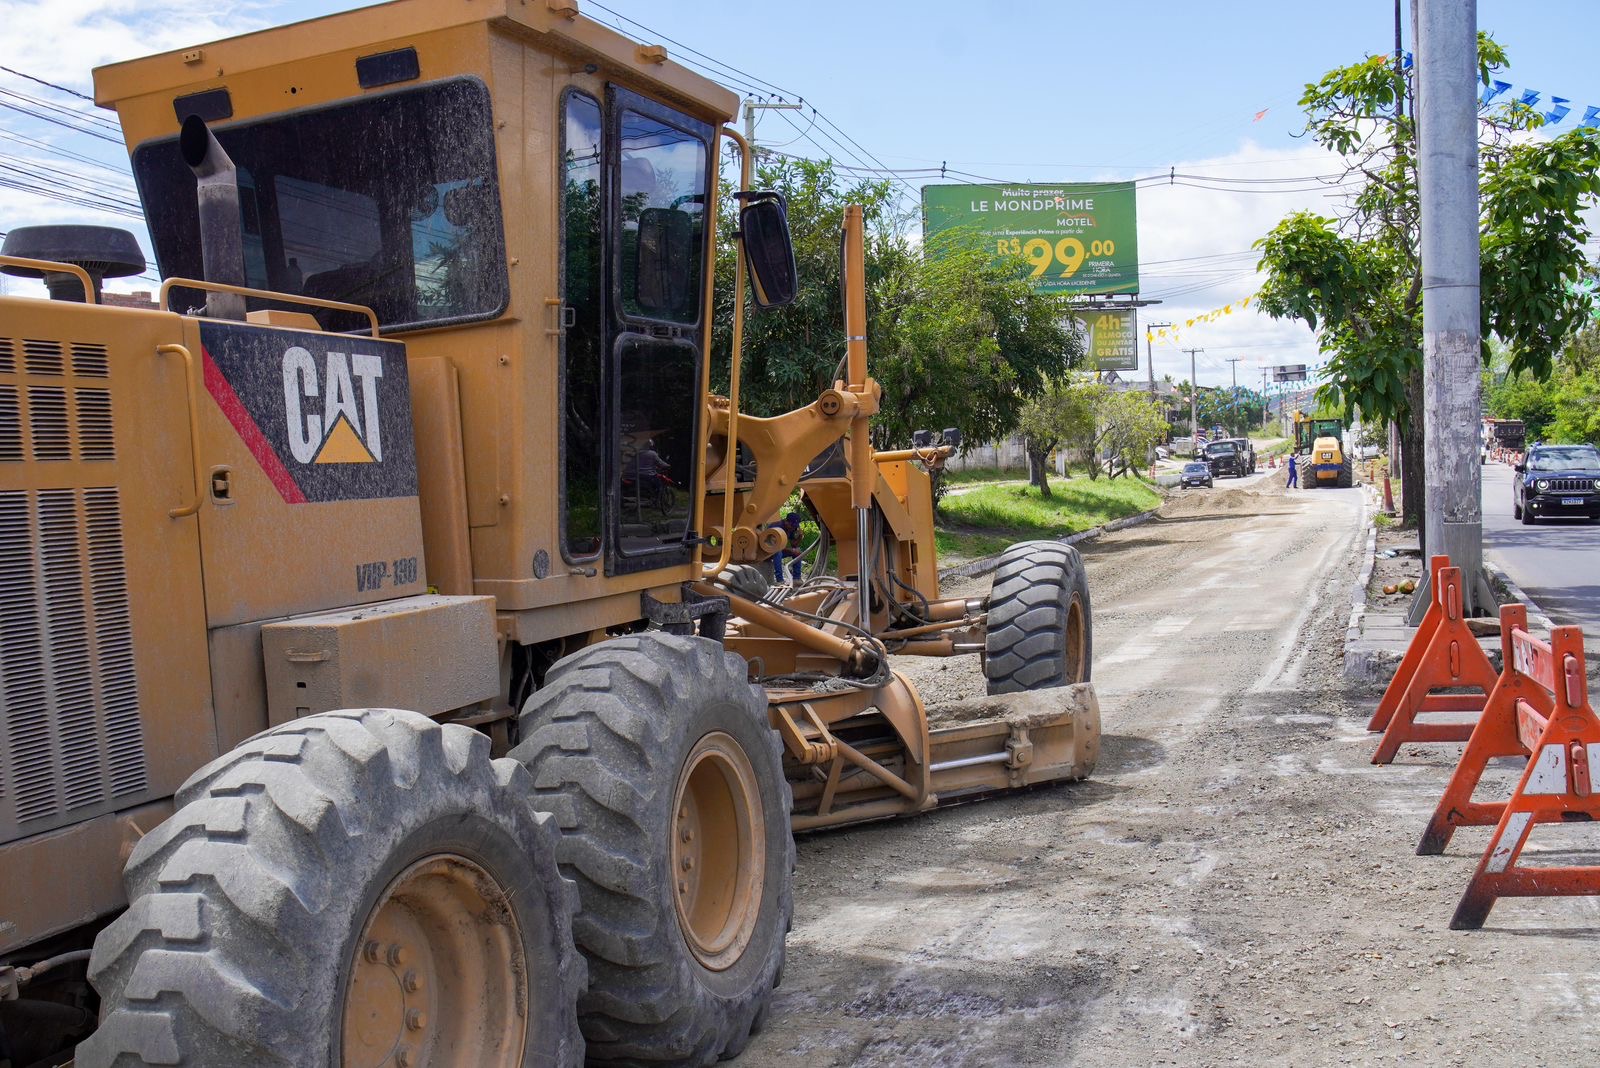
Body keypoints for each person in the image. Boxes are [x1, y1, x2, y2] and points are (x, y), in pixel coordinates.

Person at [770, 512, 805, 583]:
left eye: (795, 526)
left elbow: (793, 544)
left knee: (798, 553)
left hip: (779, 549)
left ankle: (796, 578)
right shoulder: (777, 526)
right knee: (778, 553)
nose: (793, 528)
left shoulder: (791, 528)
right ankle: (779, 580)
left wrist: (800, 537)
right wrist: (791, 550)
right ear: (786, 521)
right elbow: (775, 546)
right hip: (769, 551)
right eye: (792, 526)